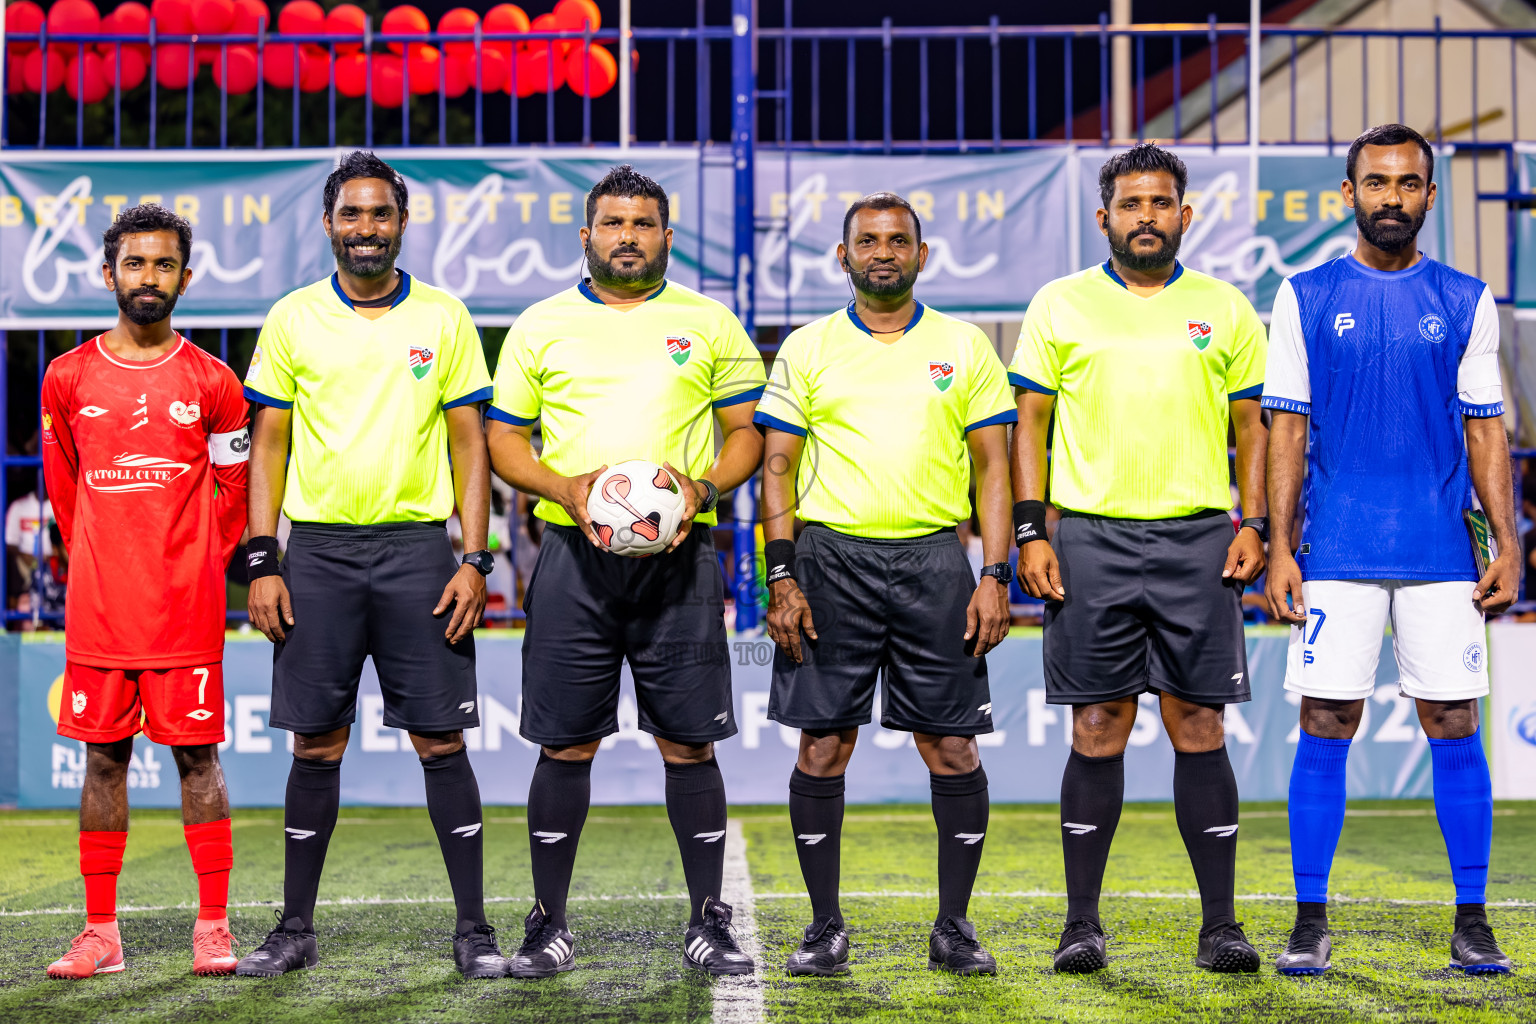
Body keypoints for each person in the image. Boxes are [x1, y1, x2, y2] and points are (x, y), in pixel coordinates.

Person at [486, 164, 765, 978]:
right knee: (565, 745)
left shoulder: (709, 322)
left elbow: (748, 433)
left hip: (681, 562)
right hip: (572, 560)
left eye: (643, 224)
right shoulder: (541, 325)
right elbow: (505, 440)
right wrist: (563, 488)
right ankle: (548, 922)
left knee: (689, 744)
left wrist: (702, 487)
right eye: (613, 223)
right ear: (587, 236)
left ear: (667, 237)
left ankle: (708, 919)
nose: (628, 237)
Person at [235, 151, 503, 980]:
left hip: (418, 553)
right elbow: (268, 445)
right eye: (351, 214)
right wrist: (263, 558)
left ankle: (473, 930)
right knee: (316, 744)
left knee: (440, 740)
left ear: (402, 222)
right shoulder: (292, 318)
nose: (365, 228)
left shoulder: (445, 317)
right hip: (316, 554)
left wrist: (475, 557)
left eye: (380, 213)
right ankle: (294, 929)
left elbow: (470, 447)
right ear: (328, 223)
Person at [1264, 124, 1518, 976]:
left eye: (1409, 184)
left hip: (1441, 549)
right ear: (1349, 193)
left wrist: (1506, 542)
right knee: (1326, 721)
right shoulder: (1302, 296)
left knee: (1454, 722)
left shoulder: (1466, 298)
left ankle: (1473, 920)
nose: (1392, 197)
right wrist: (1279, 547)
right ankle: (1309, 919)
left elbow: (1485, 431)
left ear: (1430, 197)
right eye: (1376, 182)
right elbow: (1286, 429)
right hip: (1334, 548)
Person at [1011, 143, 1270, 975]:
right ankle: (1081, 925)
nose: (1146, 216)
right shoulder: (1060, 304)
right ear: (1105, 217)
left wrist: (1257, 522)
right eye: (1131, 203)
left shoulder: (1226, 307)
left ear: (1184, 215)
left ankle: (1220, 926)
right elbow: (1029, 425)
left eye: (1161, 203)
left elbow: (1252, 428)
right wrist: (1030, 531)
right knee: (1097, 725)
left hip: (1200, 539)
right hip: (1091, 539)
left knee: (1199, 723)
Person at [757, 192, 1015, 977]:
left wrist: (994, 572)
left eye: (898, 240)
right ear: (844, 256)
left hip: (936, 560)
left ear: (921, 255)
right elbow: (777, 468)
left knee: (953, 747)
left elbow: (993, 468)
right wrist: (781, 573)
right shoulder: (807, 347)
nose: (883, 252)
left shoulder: (964, 346)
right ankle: (824, 928)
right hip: (829, 561)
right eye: (867, 241)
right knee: (823, 743)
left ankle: (954, 927)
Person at [40, 204, 249, 978]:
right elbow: (65, 494)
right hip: (100, 610)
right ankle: (101, 933)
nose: (149, 277)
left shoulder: (214, 381)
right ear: (109, 275)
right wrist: (100, 559)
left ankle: (214, 925)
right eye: (135, 263)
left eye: (164, 264)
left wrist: (192, 566)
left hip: (184, 611)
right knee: (103, 763)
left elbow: (234, 490)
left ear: (186, 279)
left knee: (199, 759)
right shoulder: (67, 377)